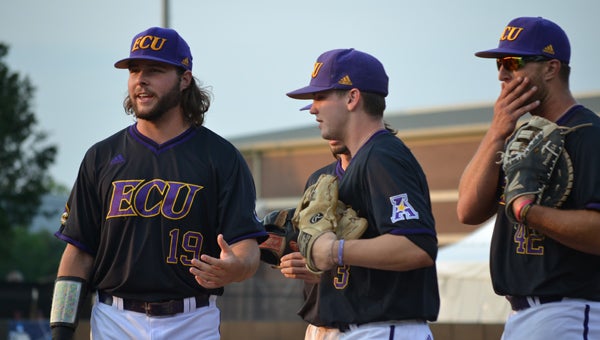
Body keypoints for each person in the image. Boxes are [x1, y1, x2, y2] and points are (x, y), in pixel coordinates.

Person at [49, 27, 267, 340]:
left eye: (155, 70)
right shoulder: (101, 157)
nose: (140, 79)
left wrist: (237, 268)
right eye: (134, 70)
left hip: (193, 320)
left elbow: (246, 249)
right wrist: (60, 329)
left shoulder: (221, 158)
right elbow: (78, 251)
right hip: (114, 320)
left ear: (184, 78)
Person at [457, 16, 600, 339]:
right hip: (521, 314)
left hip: (571, 311)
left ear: (551, 68)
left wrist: (528, 212)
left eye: (513, 62)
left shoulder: (589, 135)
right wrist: (496, 132)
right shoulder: (516, 136)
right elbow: (466, 210)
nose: (502, 74)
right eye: (498, 64)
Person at [285, 48, 440, 339]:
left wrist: (334, 250)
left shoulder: (383, 156)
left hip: (380, 328)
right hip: (349, 326)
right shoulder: (358, 162)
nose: (313, 108)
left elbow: (416, 245)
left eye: (320, 97)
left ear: (352, 98)